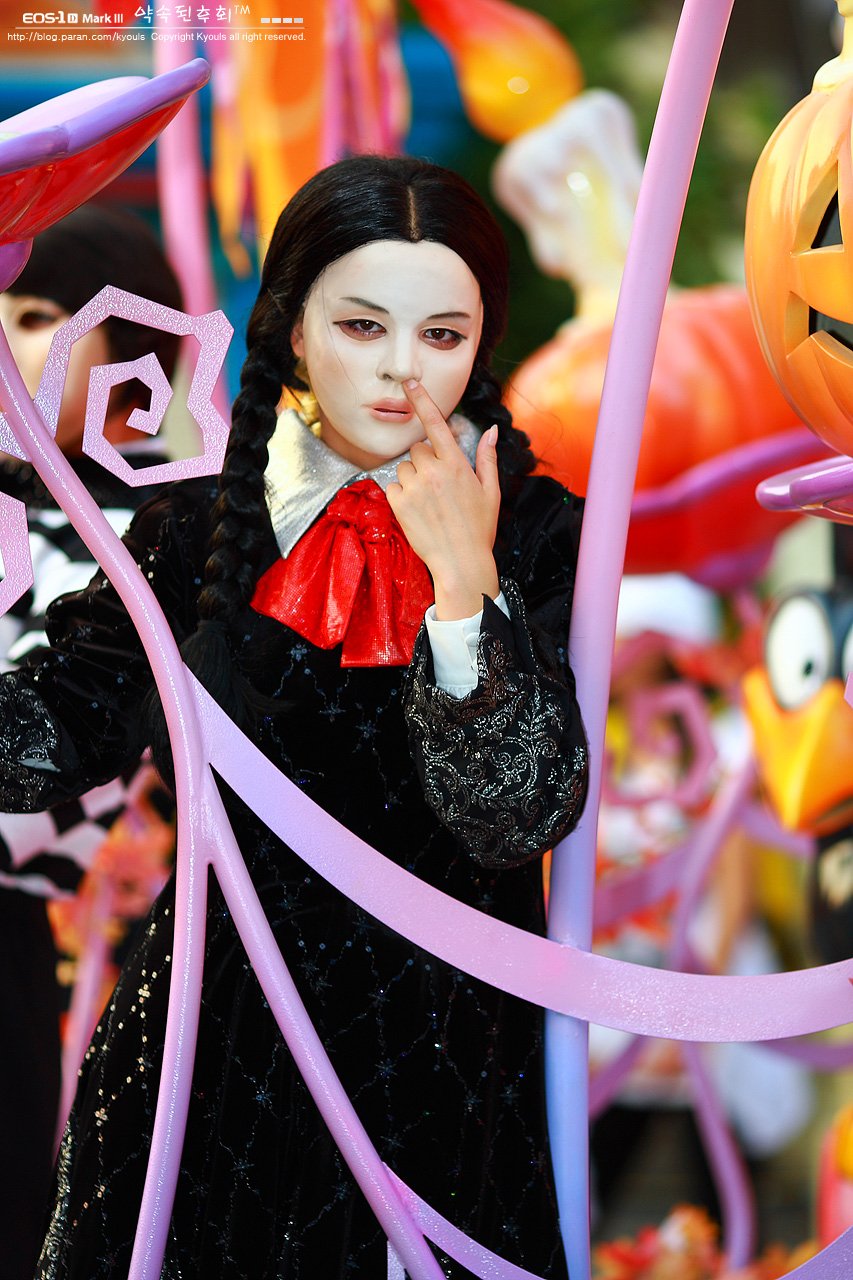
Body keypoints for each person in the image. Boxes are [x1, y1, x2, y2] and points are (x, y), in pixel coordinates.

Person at [0, 155, 588, 1278]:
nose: (403, 368)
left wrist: (463, 581)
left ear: (482, 343)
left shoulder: (546, 532)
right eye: (363, 326)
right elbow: (49, 740)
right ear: (294, 330)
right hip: (213, 1043)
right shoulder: (190, 527)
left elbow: (514, 813)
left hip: (450, 1062)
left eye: (443, 334)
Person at [0, 203, 182, 1280]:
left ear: (134, 350)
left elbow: (40, 793)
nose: (2, 343)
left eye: (34, 316)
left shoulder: (148, 535)